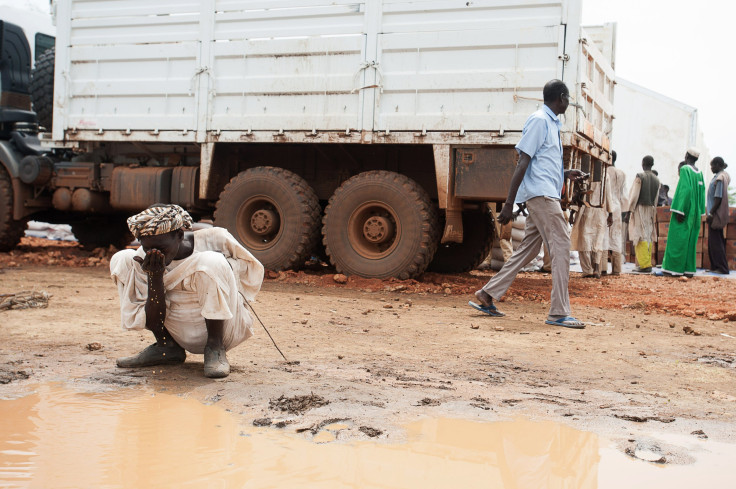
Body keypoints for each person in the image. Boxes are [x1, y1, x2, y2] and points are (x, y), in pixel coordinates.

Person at [469, 79, 586, 329]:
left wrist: (565, 173)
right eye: (568, 99)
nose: (569, 103)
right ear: (561, 98)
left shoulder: (551, 123)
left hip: (544, 194)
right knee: (562, 245)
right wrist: (509, 203)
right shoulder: (540, 121)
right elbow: (522, 161)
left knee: (529, 250)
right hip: (542, 197)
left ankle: (487, 294)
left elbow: (540, 162)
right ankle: (558, 313)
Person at [110, 204, 264, 378]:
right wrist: (155, 276)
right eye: (148, 249)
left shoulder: (215, 240)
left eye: (162, 249)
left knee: (211, 261)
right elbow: (153, 321)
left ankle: (215, 349)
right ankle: (166, 347)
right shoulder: (143, 258)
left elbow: (251, 274)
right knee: (122, 259)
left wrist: (226, 269)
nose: (155, 254)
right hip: (177, 327)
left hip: (224, 326)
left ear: (180, 235)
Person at [661, 148, 706, 277]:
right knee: (690, 240)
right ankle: (688, 269)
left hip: (685, 211)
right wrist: (700, 212)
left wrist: (679, 210)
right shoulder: (700, 173)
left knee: (677, 239)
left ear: (686, 155)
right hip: (695, 212)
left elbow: (684, 190)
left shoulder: (685, 169)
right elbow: (702, 193)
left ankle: (673, 268)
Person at [623, 156, 660, 273]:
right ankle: (646, 263)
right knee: (648, 236)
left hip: (640, 208)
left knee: (639, 236)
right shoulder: (657, 179)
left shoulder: (640, 176)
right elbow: (656, 199)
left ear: (643, 163)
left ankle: (644, 265)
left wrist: (629, 211)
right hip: (651, 209)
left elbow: (634, 195)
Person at [570, 171, 609, 278]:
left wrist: (572, 212)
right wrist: (611, 213)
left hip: (585, 211)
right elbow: (608, 196)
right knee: (597, 241)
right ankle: (596, 268)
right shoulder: (605, 176)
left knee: (584, 241)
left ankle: (588, 270)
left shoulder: (582, 174)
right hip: (600, 211)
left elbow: (576, 196)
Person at [600, 151, 627, 276]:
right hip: (618, 207)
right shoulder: (622, 173)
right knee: (616, 236)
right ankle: (616, 269)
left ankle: (603, 268)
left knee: (604, 235)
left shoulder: (604, 171)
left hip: (606, 206)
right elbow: (624, 195)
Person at [706, 157, 731, 274]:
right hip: (714, 213)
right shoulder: (720, 176)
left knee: (716, 242)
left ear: (717, 165)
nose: (711, 168)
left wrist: (711, 213)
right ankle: (715, 266)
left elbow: (718, 198)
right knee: (713, 241)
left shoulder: (720, 178)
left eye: (712, 166)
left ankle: (722, 268)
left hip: (715, 214)